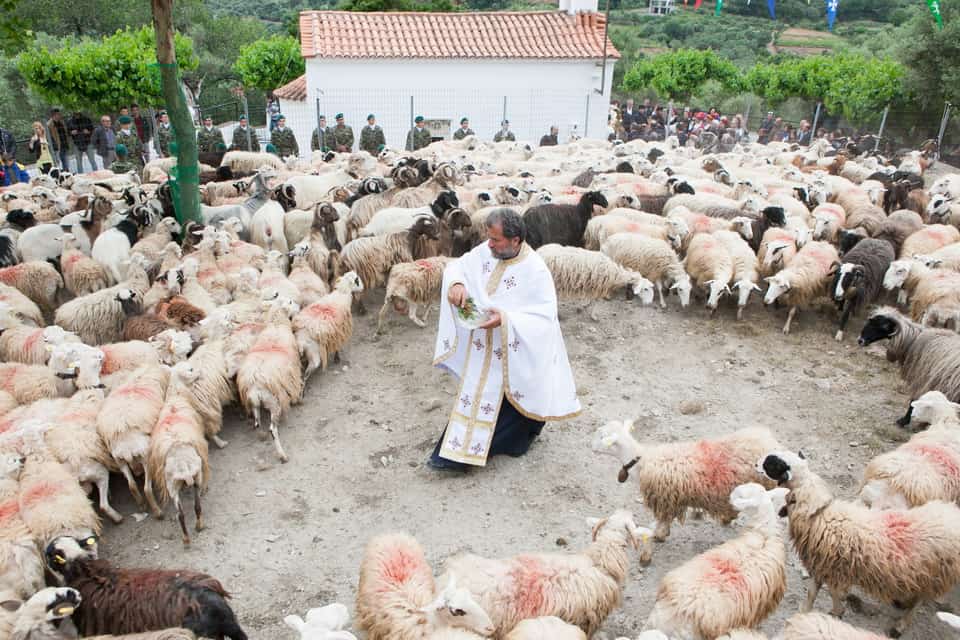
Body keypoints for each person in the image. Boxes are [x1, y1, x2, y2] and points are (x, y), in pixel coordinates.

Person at [428, 208, 580, 472]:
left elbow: (543, 317)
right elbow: (459, 266)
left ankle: (500, 445)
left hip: (515, 350)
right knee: (477, 395)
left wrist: (506, 319)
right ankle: (455, 454)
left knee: (515, 405)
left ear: (515, 240)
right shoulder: (486, 252)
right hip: (484, 347)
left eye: (496, 240)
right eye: (489, 238)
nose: (489, 244)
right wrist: (456, 284)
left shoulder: (536, 271)